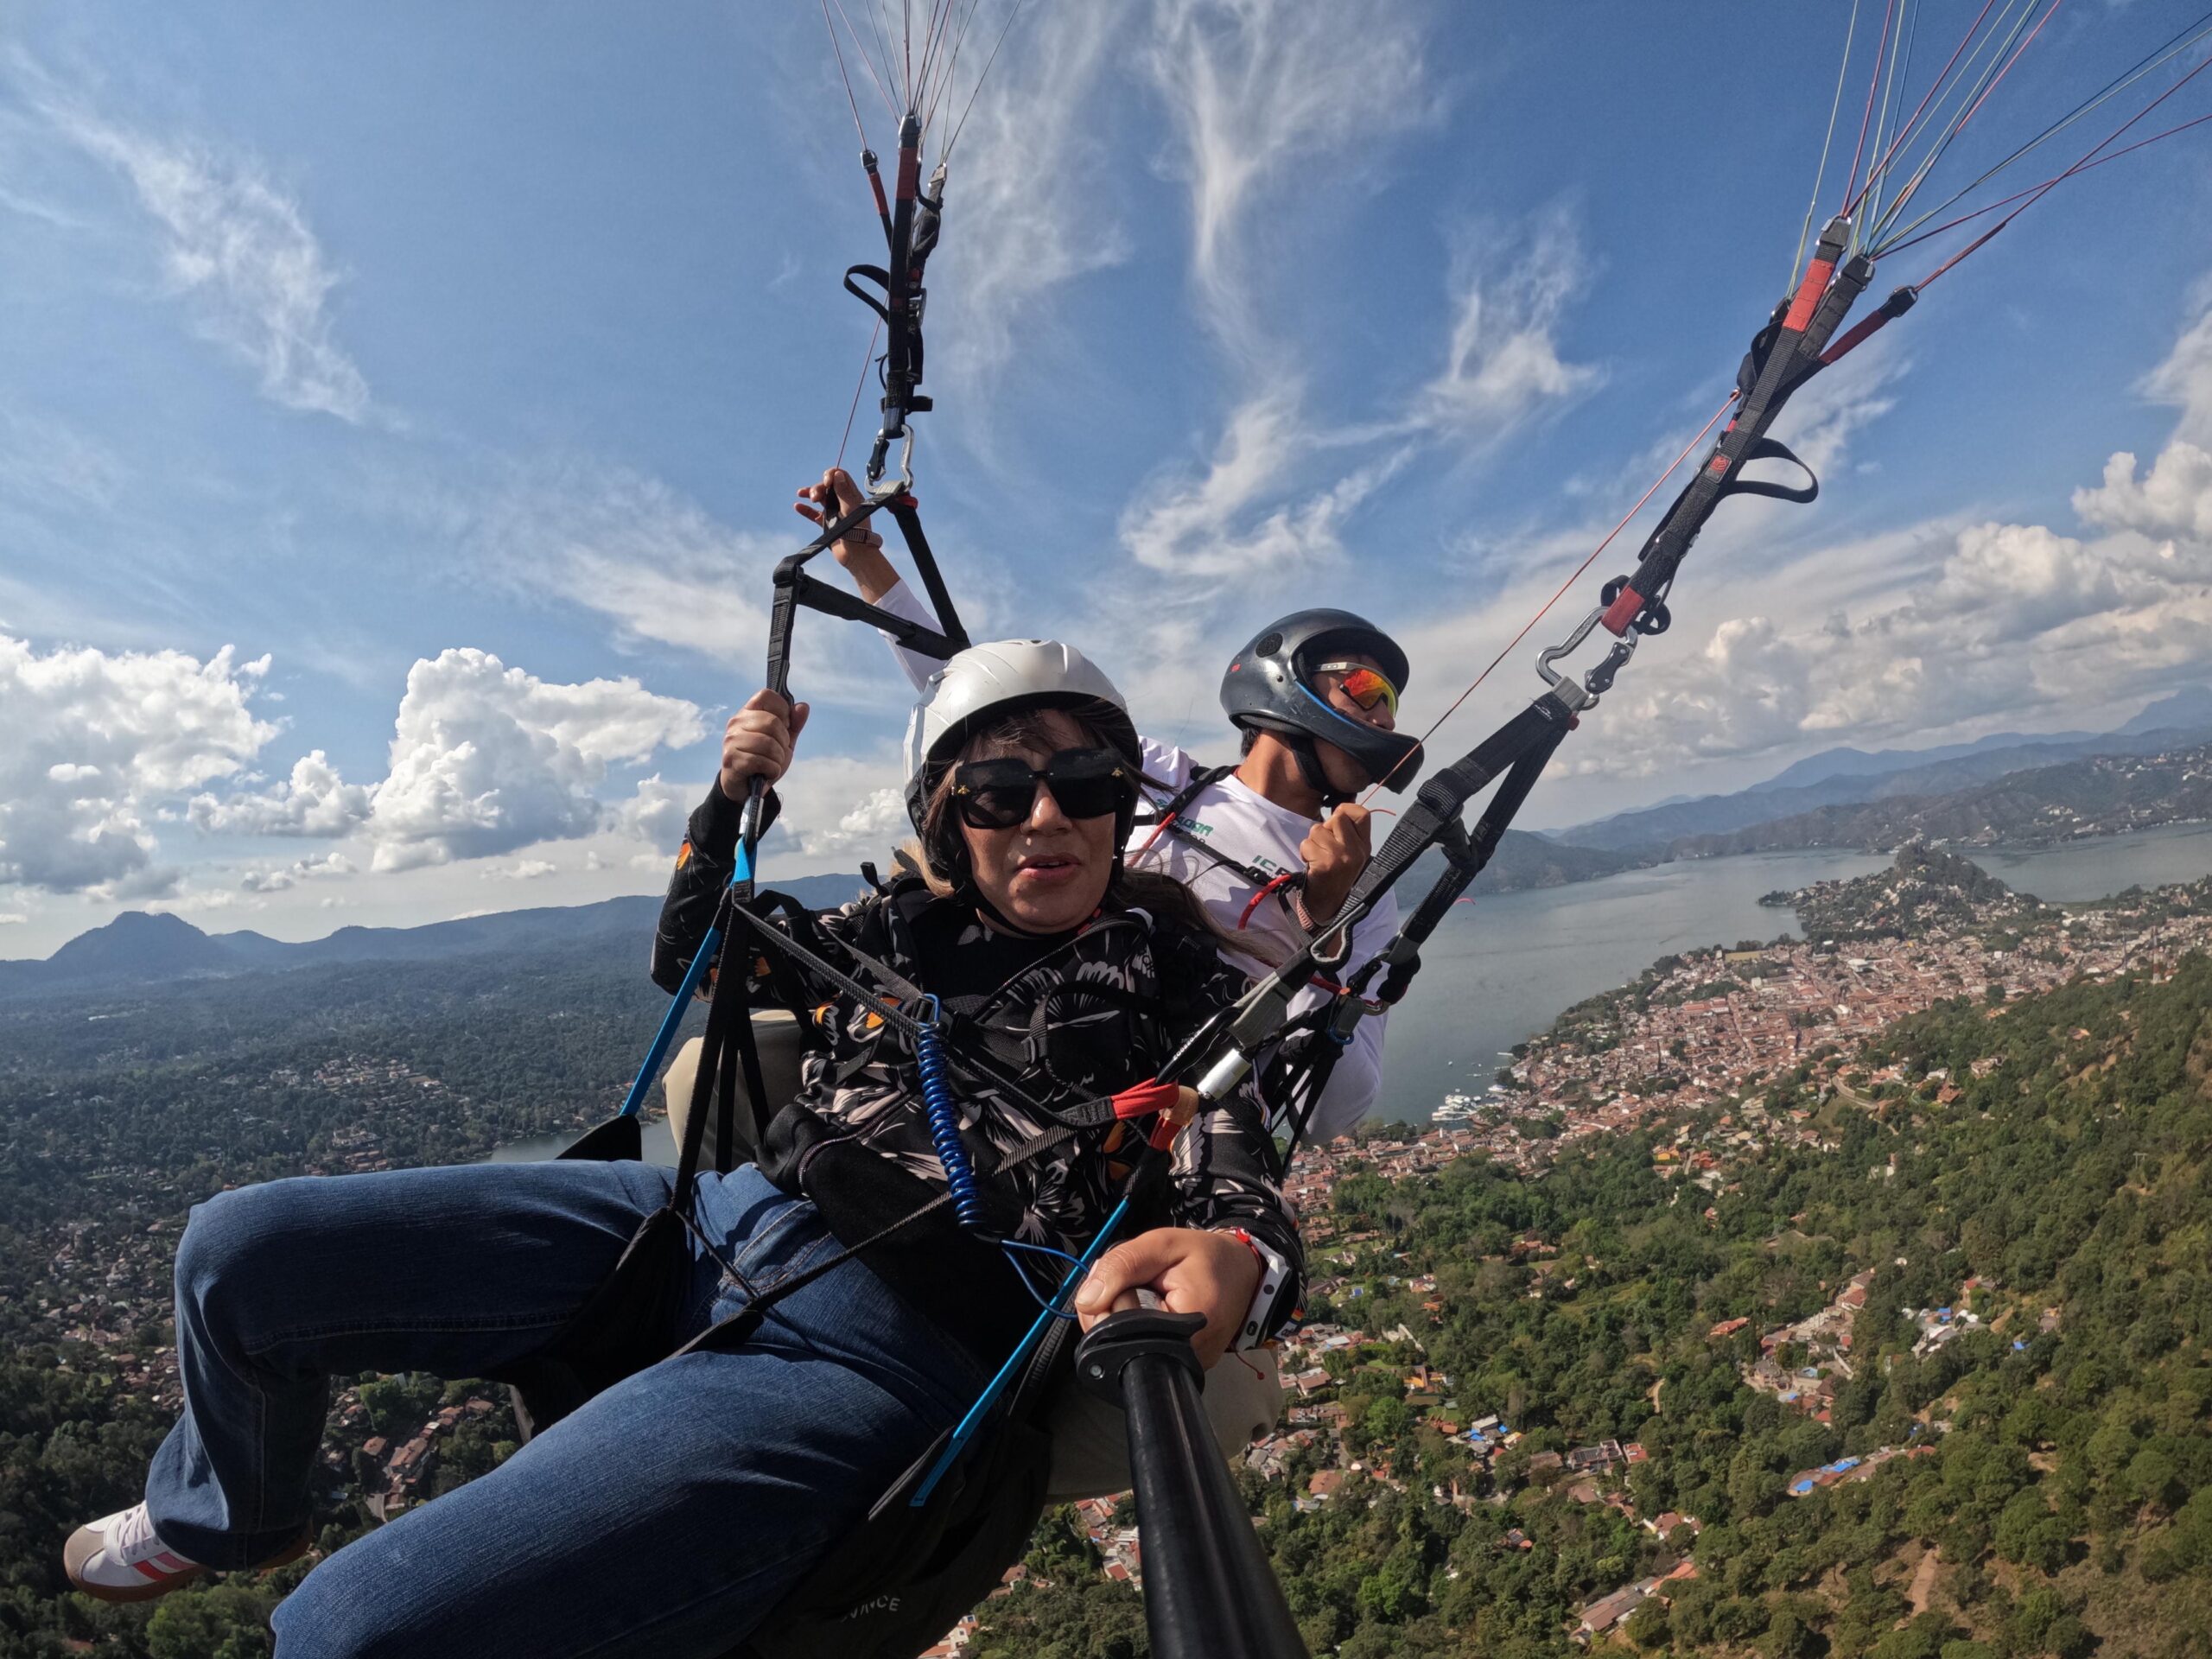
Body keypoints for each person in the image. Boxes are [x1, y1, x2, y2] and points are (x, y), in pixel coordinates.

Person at [64, 640, 1303, 1659]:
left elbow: (1245, 1190)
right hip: (705, 1218)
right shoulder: (898, 927)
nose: (1049, 818)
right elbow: (692, 953)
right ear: (946, 815)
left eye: (1088, 784)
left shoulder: (1181, 986)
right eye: (1000, 792)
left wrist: (1241, 1259)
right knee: (241, 1252)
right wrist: (728, 800)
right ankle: (229, 1514)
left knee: (348, 1639)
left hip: (874, 1349)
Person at [798, 467, 1423, 1146]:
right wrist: (868, 563)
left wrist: (1323, 925)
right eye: (1367, 690)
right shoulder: (1153, 776)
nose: (1385, 717)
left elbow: (1334, 1112)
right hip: (1035, 1037)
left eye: (1391, 702)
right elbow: (977, 696)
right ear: (1288, 679)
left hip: (1171, 1115)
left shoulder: (1368, 893)